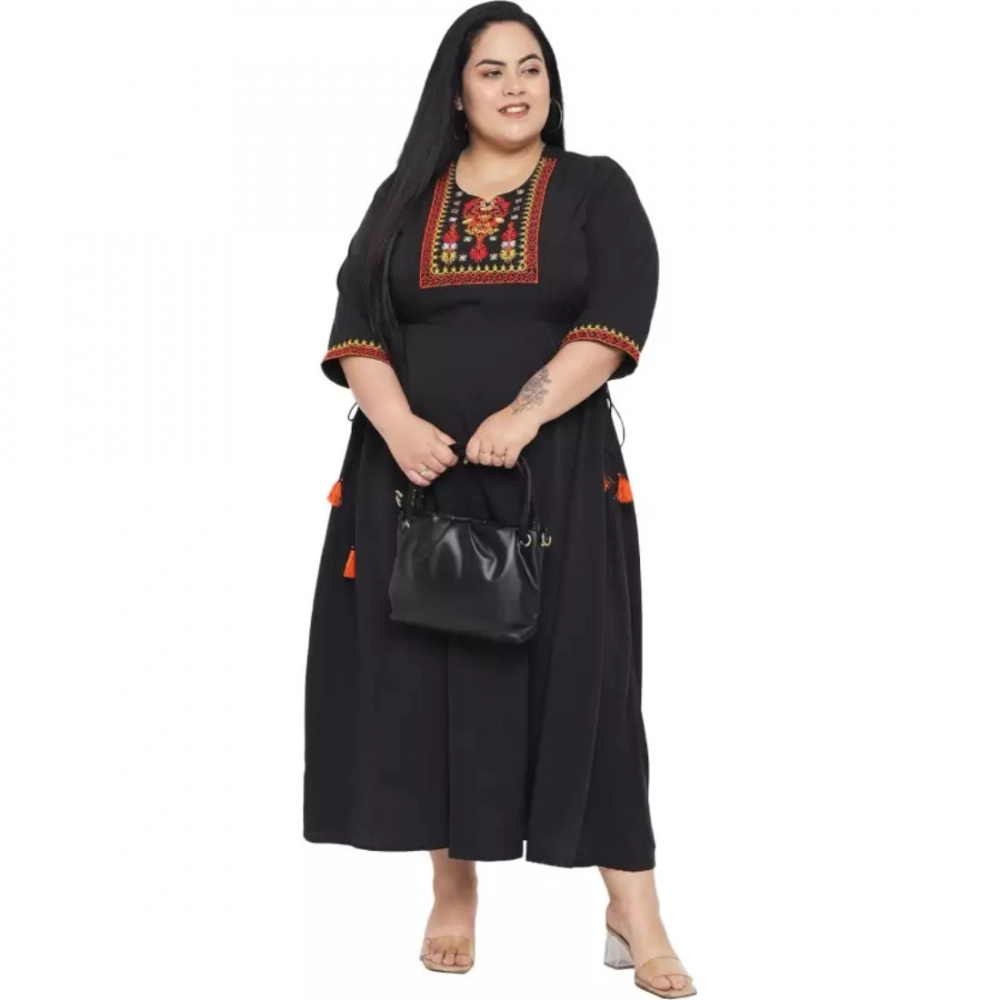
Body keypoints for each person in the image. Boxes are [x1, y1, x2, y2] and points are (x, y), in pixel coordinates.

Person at [303, 4, 696, 996]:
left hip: (551, 477)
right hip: (412, 480)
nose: (516, 87)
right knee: (430, 680)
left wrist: (525, 414)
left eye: (531, 68)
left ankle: (635, 910)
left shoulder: (594, 188)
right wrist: (398, 426)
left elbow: (618, 314)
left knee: (590, 684)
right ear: (457, 91)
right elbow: (357, 323)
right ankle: (454, 886)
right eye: (492, 71)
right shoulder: (405, 197)